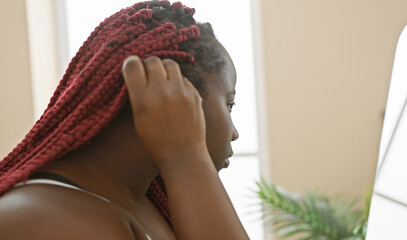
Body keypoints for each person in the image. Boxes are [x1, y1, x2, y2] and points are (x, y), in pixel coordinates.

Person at [0, 1, 249, 239]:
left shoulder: (147, 198)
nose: (235, 132)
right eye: (230, 104)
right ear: (173, 94)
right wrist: (187, 155)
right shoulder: (45, 219)